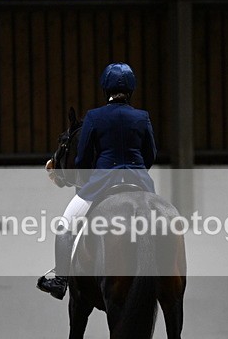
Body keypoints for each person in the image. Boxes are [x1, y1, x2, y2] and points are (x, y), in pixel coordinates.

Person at [37, 62, 157, 300]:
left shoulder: (94, 117)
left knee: (65, 225)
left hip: (103, 184)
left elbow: (82, 160)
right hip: (141, 185)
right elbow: (150, 155)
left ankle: (60, 280)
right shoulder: (142, 117)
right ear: (132, 89)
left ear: (105, 89)